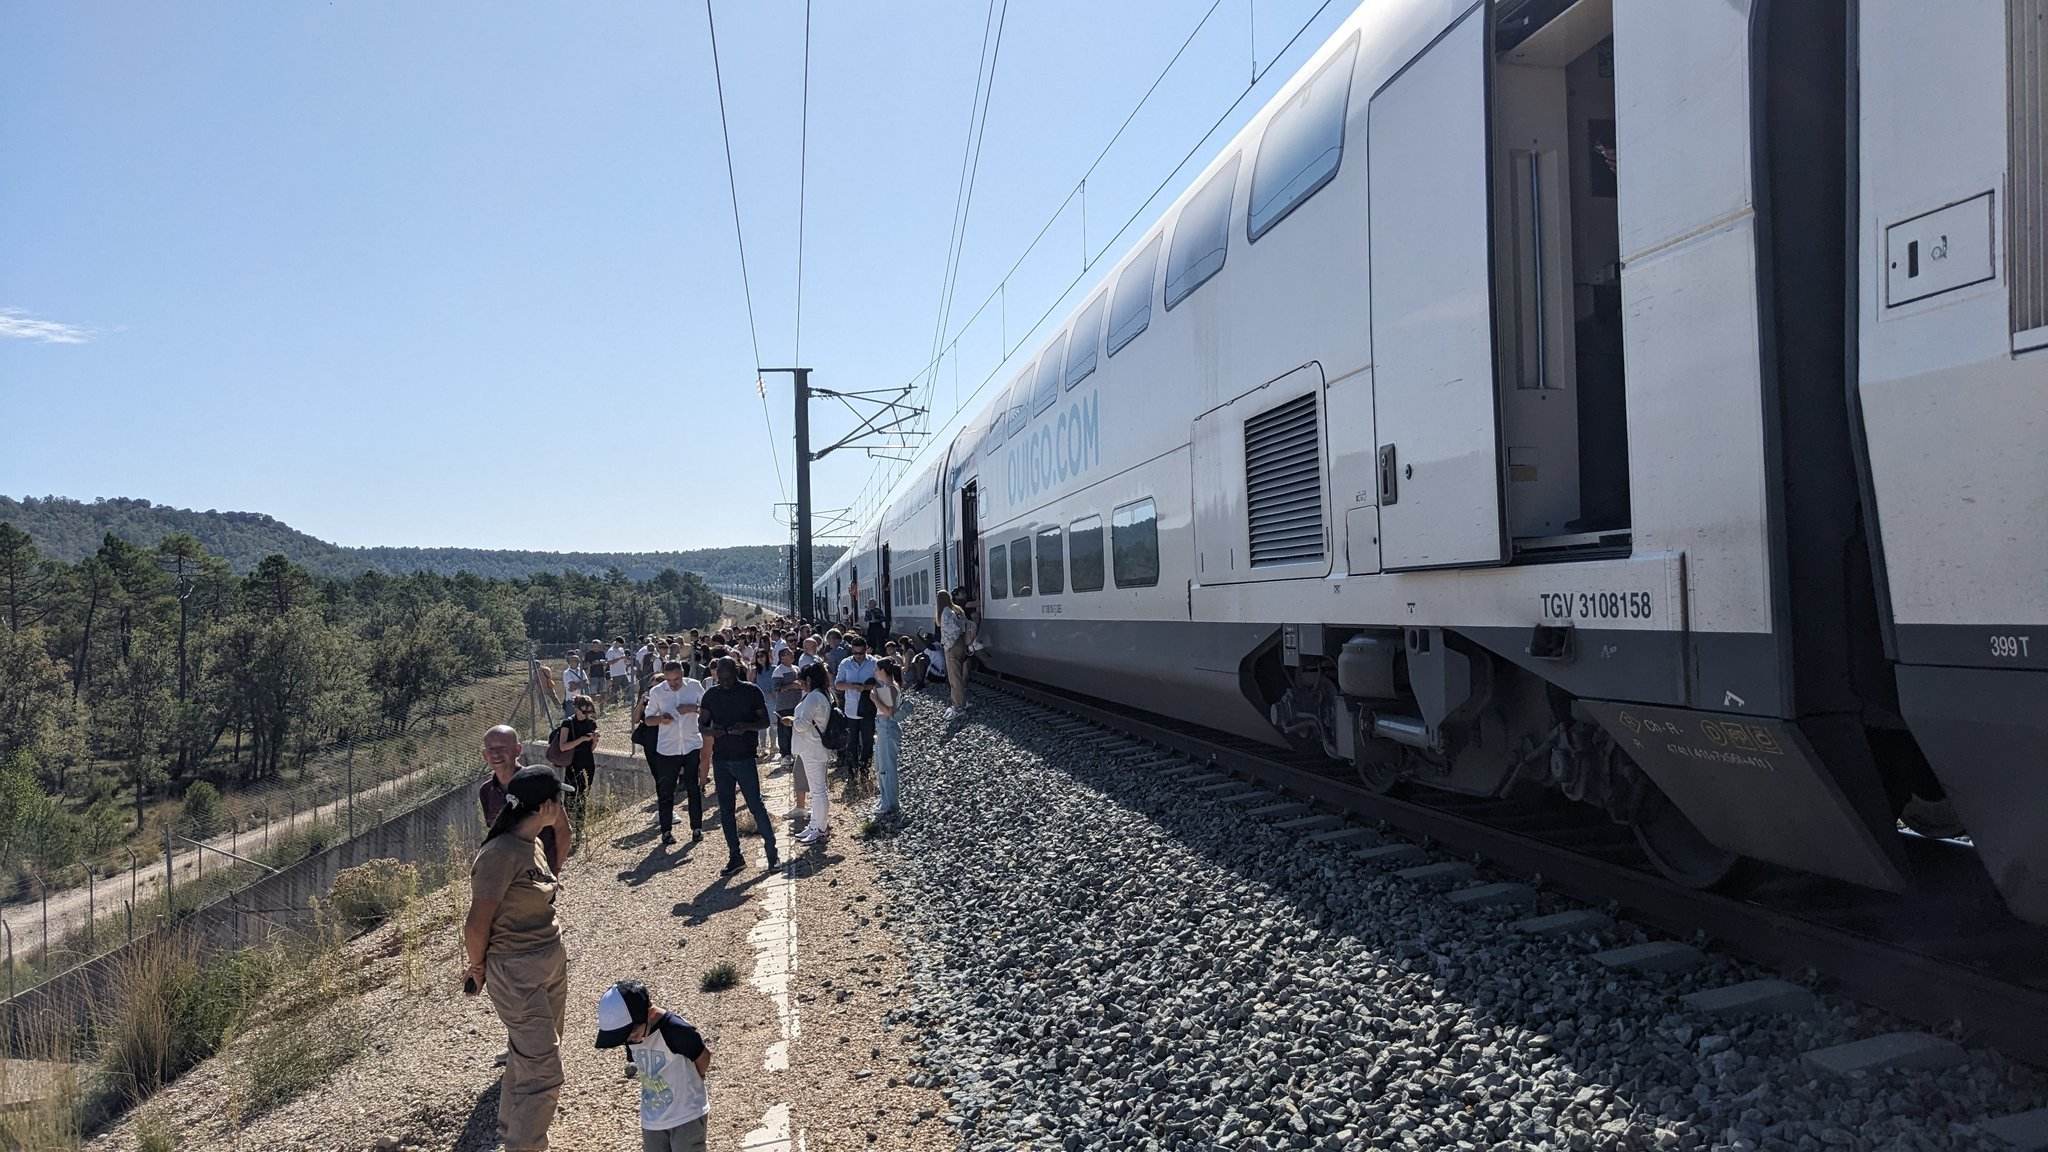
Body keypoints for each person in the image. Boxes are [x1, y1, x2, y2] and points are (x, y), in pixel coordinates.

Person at [464, 765, 574, 1152]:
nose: (563, 807)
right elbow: (477, 923)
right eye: (559, 800)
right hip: (516, 971)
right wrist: (477, 967)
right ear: (545, 806)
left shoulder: (533, 845)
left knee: (530, 1054)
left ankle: (515, 1134)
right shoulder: (498, 855)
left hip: (548, 960)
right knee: (543, 1070)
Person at [594, 980, 711, 1152]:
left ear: (647, 1013)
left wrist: (698, 1078)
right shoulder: (632, 1038)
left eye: (632, 1033)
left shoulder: (675, 1029)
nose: (630, 1040)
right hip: (652, 1119)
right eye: (624, 1037)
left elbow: (703, 1056)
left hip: (687, 1114)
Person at [698, 657, 779, 875]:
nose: (724, 681)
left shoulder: (751, 692)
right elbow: (702, 724)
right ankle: (735, 856)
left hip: (745, 757)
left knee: (755, 805)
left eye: (728, 677)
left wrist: (746, 727)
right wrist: (711, 732)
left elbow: (765, 722)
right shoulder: (711, 695)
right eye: (720, 677)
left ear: (736, 672)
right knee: (726, 810)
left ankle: (772, 853)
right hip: (721, 758)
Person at [480, 725, 573, 874]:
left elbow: (563, 830)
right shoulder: (486, 791)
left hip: (540, 874)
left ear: (518, 750)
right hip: (508, 876)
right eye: (491, 749)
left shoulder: (538, 782)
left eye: (502, 748)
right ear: (485, 755)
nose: (496, 754)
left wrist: (555, 870)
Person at [643, 660, 706, 847]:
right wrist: (660, 719)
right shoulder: (657, 692)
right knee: (666, 791)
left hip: (691, 745)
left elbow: (708, 711)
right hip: (667, 748)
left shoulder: (694, 686)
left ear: (682, 674)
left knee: (693, 788)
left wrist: (692, 709)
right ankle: (666, 831)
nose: (673, 683)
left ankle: (697, 828)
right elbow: (648, 719)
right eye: (669, 680)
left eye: (677, 679)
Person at [788, 662, 833, 844]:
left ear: (808, 679)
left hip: (812, 748)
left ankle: (820, 828)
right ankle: (815, 824)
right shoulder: (821, 694)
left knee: (818, 791)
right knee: (817, 790)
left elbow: (802, 724)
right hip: (813, 748)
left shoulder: (814, 697)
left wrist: (791, 720)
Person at [833, 635, 879, 775]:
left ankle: (865, 768)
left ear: (866, 650)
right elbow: (838, 685)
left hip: (868, 709)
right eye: (855, 653)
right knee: (851, 741)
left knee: (867, 740)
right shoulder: (845, 664)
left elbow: (880, 684)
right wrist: (851, 686)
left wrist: (865, 688)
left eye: (861, 653)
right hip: (851, 709)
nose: (858, 656)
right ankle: (852, 770)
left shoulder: (874, 663)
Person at [872, 656, 908, 820]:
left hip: (887, 727)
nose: (874, 672)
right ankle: (885, 799)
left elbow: (889, 712)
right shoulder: (886, 686)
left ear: (882, 671)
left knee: (888, 767)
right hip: (882, 728)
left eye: (876, 669)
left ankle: (891, 803)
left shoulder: (892, 688)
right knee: (881, 766)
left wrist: (875, 699)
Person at [551, 695, 600, 800]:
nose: (587, 715)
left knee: (584, 796)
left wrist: (595, 741)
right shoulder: (568, 723)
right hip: (573, 763)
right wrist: (581, 739)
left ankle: (581, 816)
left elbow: (590, 749)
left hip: (588, 762)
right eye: (584, 712)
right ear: (576, 709)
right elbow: (563, 747)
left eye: (589, 712)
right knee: (571, 796)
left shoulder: (591, 723)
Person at [936, 590, 971, 720]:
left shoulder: (945, 612)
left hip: (952, 647)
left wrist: (948, 644)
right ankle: (962, 702)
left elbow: (954, 629)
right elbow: (963, 626)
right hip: (961, 645)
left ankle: (958, 706)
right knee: (959, 676)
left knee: (954, 678)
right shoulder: (956, 610)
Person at [561, 653, 590, 723]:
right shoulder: (566, 673)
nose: (574, 662)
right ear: (569, 662)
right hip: (571, 699)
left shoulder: (581, 671)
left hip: (581, 699)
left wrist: (577, 684)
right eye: (572, 661)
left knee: (582, 719)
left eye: (575, 660)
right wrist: (580, 684)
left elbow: (586, 683)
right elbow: (572, 687)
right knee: (570, 720)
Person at [607, 637, 633, 708]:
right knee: (615, 689)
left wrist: (625, 660)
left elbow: (623, 658)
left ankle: (627, 701)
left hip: (623, 671)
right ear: (616, 642)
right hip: (615, 673)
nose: (621, 645)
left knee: (627, 686)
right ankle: (614, 703)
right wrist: (619, 658)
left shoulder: (621, 649)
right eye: (620, 643)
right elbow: (610, 662)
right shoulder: (610, 651)